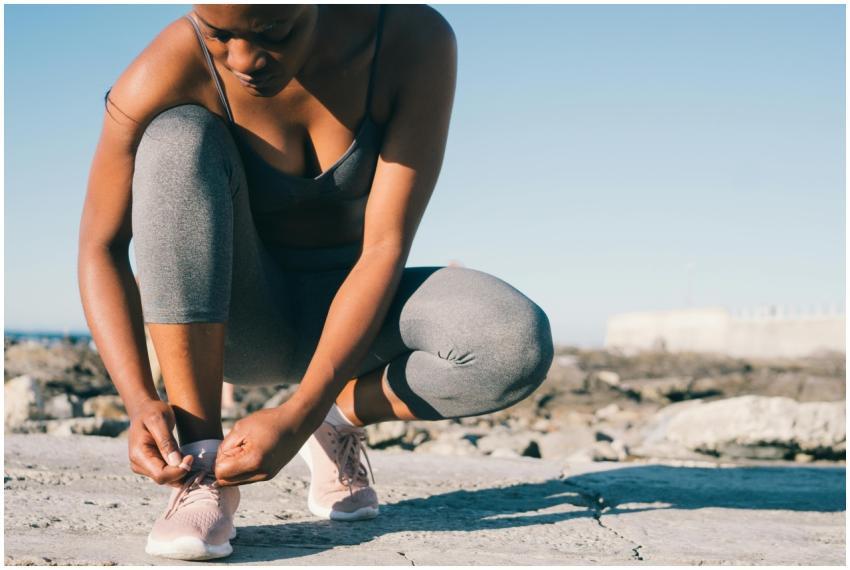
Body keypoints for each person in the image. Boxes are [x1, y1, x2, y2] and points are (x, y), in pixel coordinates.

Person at [77, 4, 554, 561]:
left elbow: (384, 248)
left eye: (272, 32)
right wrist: (138, 399)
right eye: (219, 34)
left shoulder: (410, 39)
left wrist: (304, 410)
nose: (244, 60)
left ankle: (334, 422)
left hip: (360, 315)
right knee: (176, 135)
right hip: (239, 322)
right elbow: (100, 245)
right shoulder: (167, 68)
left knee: (511, 342)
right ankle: (204, 468)